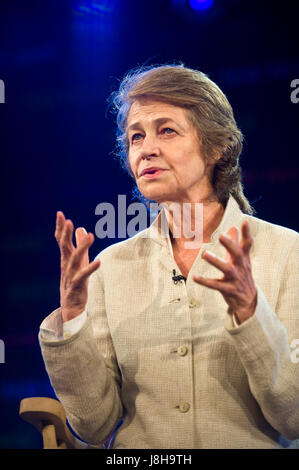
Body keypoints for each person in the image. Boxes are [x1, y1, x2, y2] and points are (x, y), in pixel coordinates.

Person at [39, 64, 299, 449]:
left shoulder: (287, 252)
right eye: (136, 137)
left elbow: (292, 417)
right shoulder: (110, 267)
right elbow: (94, 425)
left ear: (216, 146)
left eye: (167, 131)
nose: (147, 149)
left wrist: (251, 311)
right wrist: (74, 318)